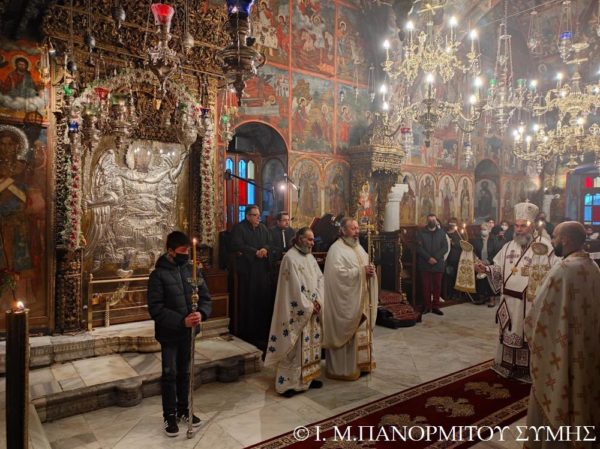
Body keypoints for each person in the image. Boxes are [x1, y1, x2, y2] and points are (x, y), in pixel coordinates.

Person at [524, 221, 600, 446]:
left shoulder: (564, 269)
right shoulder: (593, 267)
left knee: (561, 387)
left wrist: (531, 329)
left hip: (563, 346)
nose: (553, 241)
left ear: (565, 240)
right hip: (587, 347)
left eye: (555, 237)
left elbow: (539, 310)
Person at [476, 202, 557, 382]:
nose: (519, 230)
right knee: (509, 331)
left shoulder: (543, 246)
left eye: (523, 226)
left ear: (532, 226)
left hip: (529, 302)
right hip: (508, 300)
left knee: (526, 333)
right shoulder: (508, 246)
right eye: (517, 226)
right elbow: (499, 268)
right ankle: (508, 365)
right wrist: (486, 269)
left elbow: (552, 274)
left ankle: (527, 369)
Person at [147, 231, 212, 437]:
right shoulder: (158, 275)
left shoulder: (192, 270)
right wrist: (181, 321)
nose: (186, 255)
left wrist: (201, 314)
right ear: (171, 251)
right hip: (169, 334)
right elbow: (156, 309)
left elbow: (205, 298)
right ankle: (169, 415)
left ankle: (184, 410)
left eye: (188, 251)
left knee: (186, 373)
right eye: (182, 251)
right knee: (170, 374)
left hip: (189, 333)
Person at [264, 228, 324, 397]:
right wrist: (308, 306)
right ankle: (288, 384)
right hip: (298, 311)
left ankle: (309, 377)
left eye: (313, 240)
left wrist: (319, 300)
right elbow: (292, 289)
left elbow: (320, 279)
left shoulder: (310, 257)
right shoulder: (289, 258)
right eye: (309, 240)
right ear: (299, 239)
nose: (312, 243)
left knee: (311, 343)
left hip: (312, 308)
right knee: (294, 346)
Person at [322, 218, 378, 380]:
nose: (357, 231)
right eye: (353, 228)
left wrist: (370, 271)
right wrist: (361, 272)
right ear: (343, 230)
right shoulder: (336, 249)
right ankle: (344, 370)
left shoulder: (358, 247)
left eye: (357, 228)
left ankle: (362, 364)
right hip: (345, 303)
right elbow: (336, 276)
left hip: (361, 300)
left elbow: (366, 265)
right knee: (347, 334)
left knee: (361, 331)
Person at [230, 205, 273, 351]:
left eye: (259, 215)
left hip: (262, 271)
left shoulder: (263, 228)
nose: (258, 218)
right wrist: (255, 252)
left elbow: (269, 242)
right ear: (247, 216)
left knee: (262, 299)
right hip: (248, 271)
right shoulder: (239, 228)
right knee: (249, 300)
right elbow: (237, 245)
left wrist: (265, 249)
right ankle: (248, 332)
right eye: (255, 215)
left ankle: (262, 332)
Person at [416, 214, 448, 315]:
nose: (432, 222)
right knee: (426, 286)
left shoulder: (441, 233)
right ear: (427, 221)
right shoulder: (420, 232)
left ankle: (435, 307)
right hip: (425, 263)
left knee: (437, 286)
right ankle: (427, 306)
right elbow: (418, 248)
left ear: (436, 221)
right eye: (430, 220)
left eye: (433, 220)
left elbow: (445, 247)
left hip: (438, 264)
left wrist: (436, 258)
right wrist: (428, 258)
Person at [471, 223, 503, 307]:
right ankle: (482, 298)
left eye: (485, 229)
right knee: (481, 281)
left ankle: (492, 299)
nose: (483, 231)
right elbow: (474, 251)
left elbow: (496, 252)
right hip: (480, 262)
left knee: (490, 281)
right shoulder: (477, 240)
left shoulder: (494, 239)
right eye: (482, 229)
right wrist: (477, 260)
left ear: (489, 230)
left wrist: (487, 261)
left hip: (491, 263)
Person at [444, 219, 462, 300]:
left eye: (454, 223)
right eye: (451, 223)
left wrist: (453, 243)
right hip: (447, 258)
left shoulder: (458, 233)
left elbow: (463, 244)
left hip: (456, 258)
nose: (452, 225)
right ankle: (448, 293)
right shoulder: (445, 233)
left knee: (455, 276)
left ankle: (456, 293)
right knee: (448, 277)